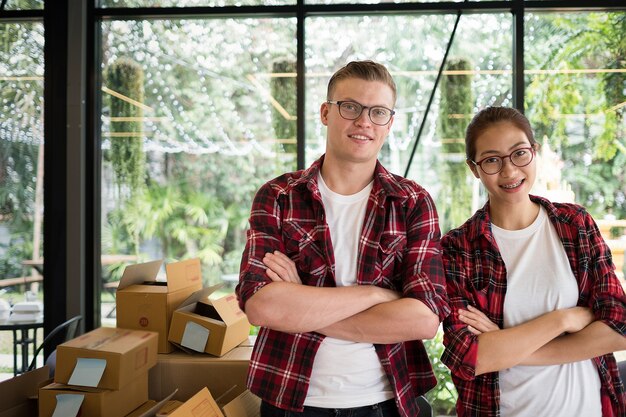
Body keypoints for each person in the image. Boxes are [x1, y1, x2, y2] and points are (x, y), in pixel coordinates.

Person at [236, 60, 450, 417]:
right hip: (291, 401)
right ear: (325, 112)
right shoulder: (278, 196)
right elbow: (260, 306)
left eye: (378, 112)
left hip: (387, 402)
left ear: (389, 123)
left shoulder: (412, 202)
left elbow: (424, 320)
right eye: (350, 107)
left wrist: (300, 305)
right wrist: (378, 295)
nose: (364, 121)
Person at [441, 106, 626, 417]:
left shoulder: (575, 224)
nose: (510, 171)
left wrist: (504, 346)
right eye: (491, 160)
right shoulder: (458, 249)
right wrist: (563, 320)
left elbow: (618, 325)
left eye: (519, 153)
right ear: (474, 168)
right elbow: (469, 357)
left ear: (534, 151)